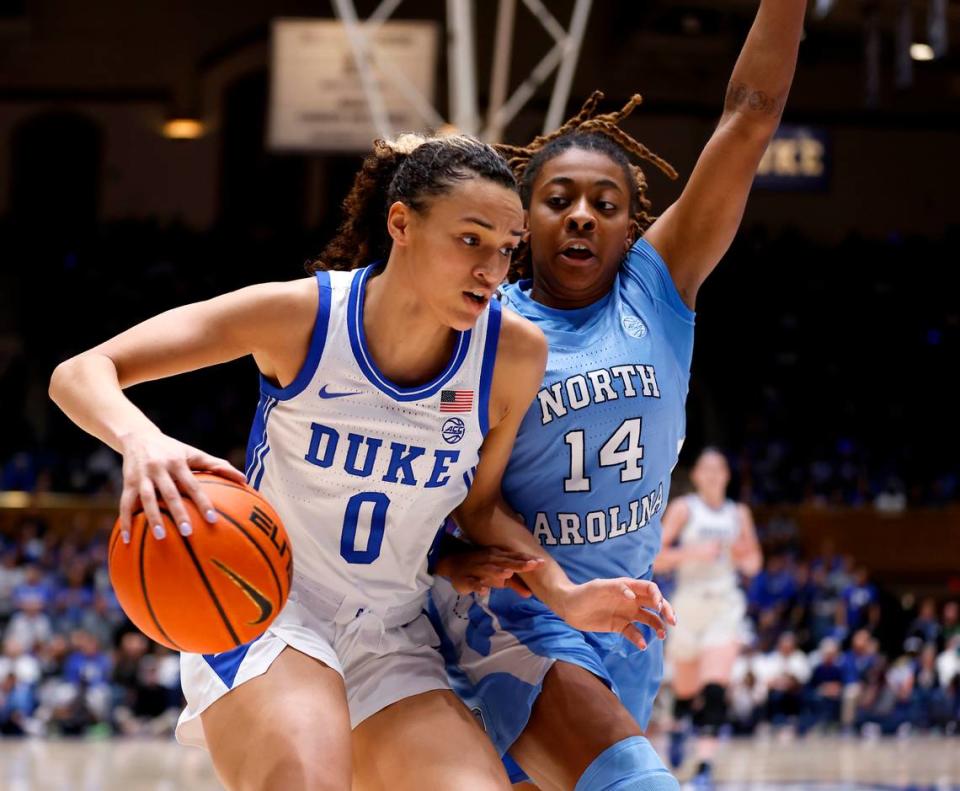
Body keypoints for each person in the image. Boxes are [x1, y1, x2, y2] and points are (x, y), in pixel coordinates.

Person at [49, 132, 670, 791]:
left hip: (392, 629)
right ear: (401, 222)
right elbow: (81, 372)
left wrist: (563, 593)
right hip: (270, 605)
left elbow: (480, 509)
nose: (492, 269)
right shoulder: (302, 316)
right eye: (471, 239)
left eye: (506, 248)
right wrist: (141, 440)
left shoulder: (511, 354)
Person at [430, 1, 805, 788]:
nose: (580, 215)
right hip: (518, 611)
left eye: (605, 204)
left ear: (634, 225)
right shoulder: (485, 325)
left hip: (626, 628)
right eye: (558, 197)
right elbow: (448, 488)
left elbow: (751, 113)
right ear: (521, 220)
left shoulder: (658, 288)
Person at [655, 448, 761, 782]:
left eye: (720, 468)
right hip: (688, 603)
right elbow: (655, 557)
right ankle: (678, 726)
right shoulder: (684, 509)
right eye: (707, 469)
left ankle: (704, 766)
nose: (714, 474)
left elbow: (754, 563)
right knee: (687, 691)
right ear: (697, 476)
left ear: (727, 475)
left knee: (715, 687)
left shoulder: (738, 513)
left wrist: (744, 558)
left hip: (724, 603)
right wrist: (692, 553)